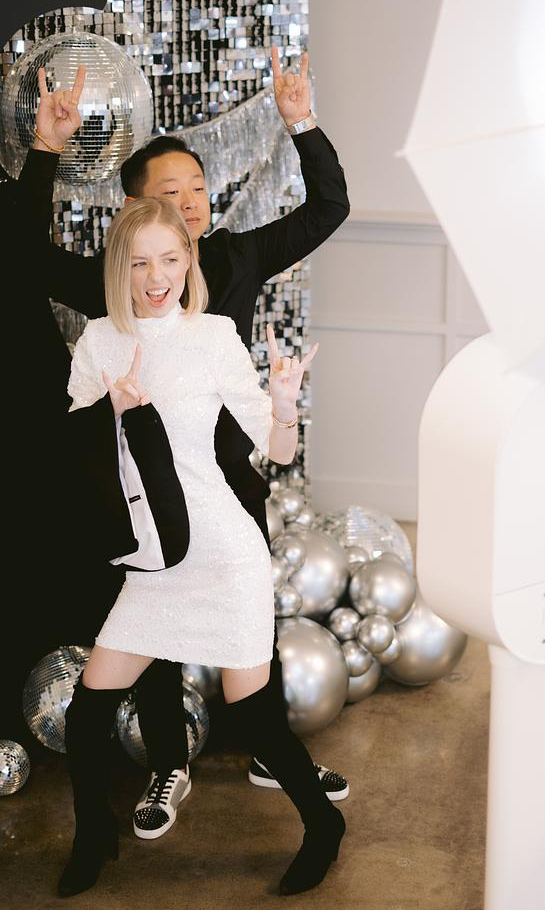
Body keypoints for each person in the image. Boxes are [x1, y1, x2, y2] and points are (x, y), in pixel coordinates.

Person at [22, 46, 350, 836]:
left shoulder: (238, 255)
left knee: (250, 636)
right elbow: (22, 255)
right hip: (143, 495)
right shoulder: (112, 290)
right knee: (152, 640)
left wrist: (300, 120)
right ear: (134, 211)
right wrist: (45, 149)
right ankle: (167, 763)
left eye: (198, 189)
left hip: (228, 480)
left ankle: (268, 750)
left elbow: (327, 209)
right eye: (169, 194)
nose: (190, 204)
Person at [59, 196, 345, 898]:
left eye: (170, 259)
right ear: (119, 269)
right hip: (154, 558)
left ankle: (322, 824)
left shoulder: (213, 335)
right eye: (140, 263)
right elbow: (70, 453)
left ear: (189, 260)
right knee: (88, 710)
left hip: (221, 549)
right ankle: (94, 834)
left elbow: (276, 451)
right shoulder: (97, 342)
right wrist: (113, 410)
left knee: (253, 713)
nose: (157, 277)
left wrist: (284, 405)